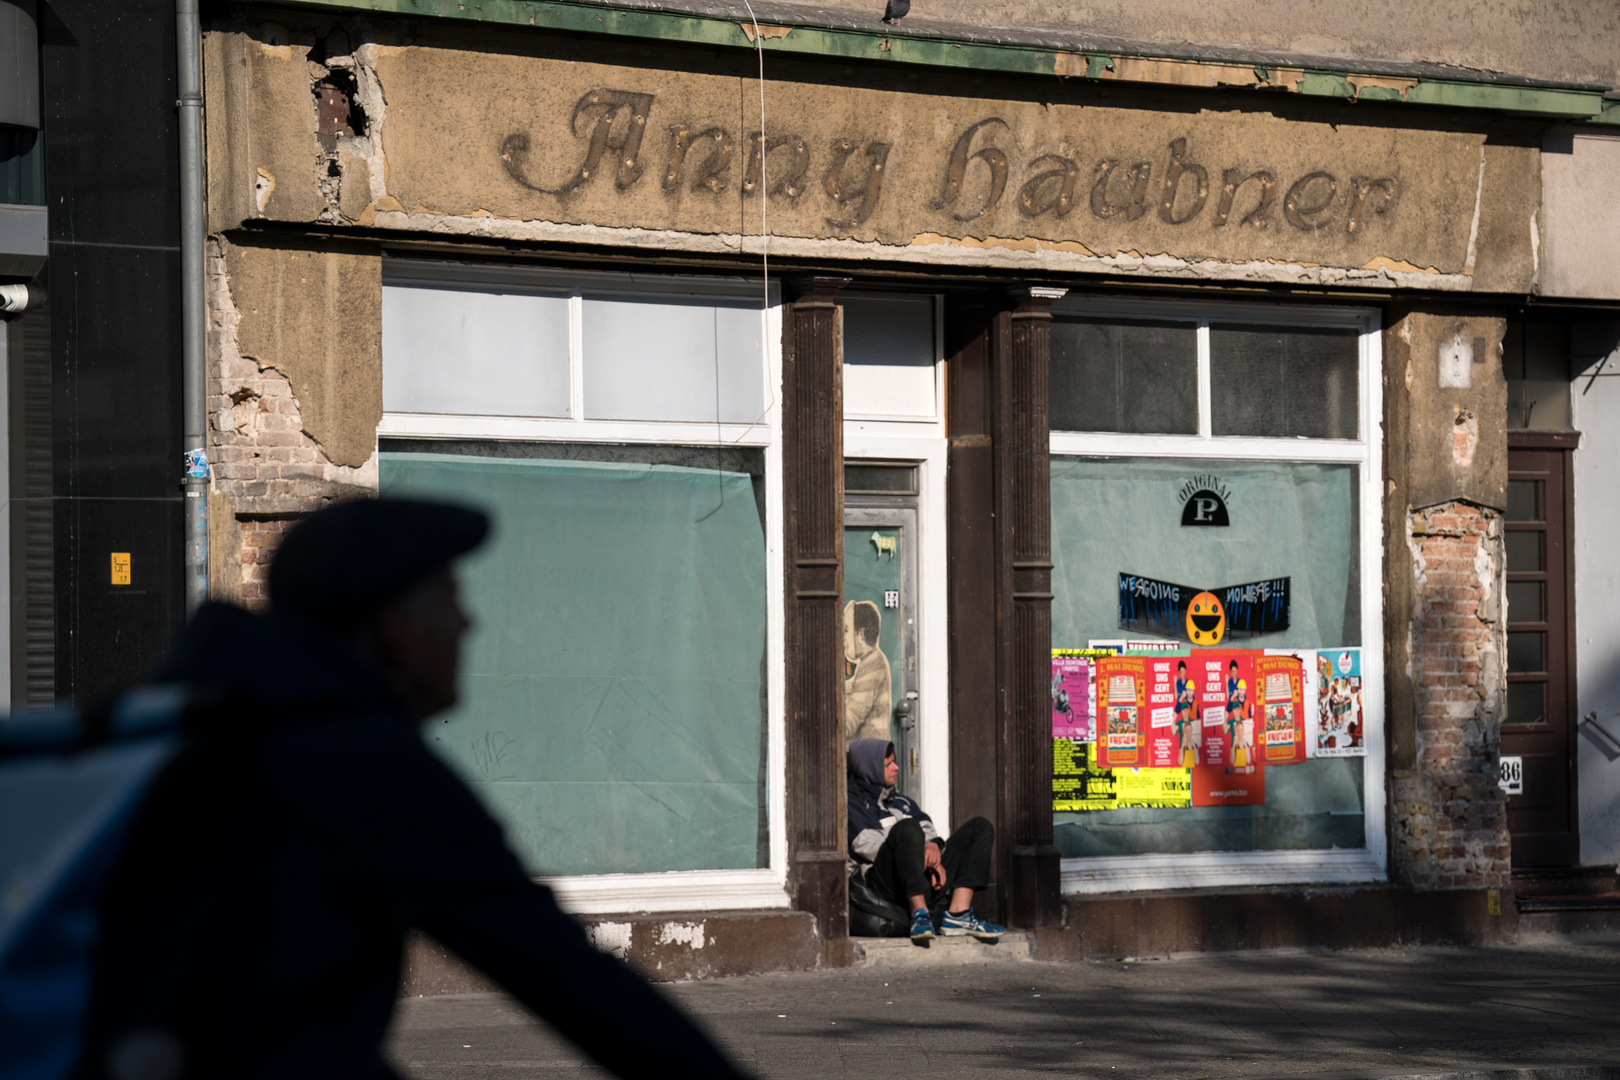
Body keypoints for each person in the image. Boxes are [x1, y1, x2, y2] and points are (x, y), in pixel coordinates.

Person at [74, 498, 753, 1080]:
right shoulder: (357, 765)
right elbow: (563, 975)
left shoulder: (201, 733)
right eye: (453, 600)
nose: (470, 625)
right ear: (397, 634)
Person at [845, 736, 1003, 943]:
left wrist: (933, 847)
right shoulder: (851, 804)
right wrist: (922, 855)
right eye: (888, 764)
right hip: (885, 883)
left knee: (980, 828)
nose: (897, 768)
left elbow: (927, 827)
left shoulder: (901, 801)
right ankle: (919, 914)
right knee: (907, 828)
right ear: (870, 769)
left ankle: (958, 915)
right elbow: (867, 846)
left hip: (921, 875)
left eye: (895, 761)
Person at [842, 600, 892, 743]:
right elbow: (852, 687)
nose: (843, 638)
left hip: (870, 757)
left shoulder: (873, 665)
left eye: (846, 630)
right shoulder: (871, 661)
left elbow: (848, 725)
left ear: (861, 635)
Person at [1175, 660, 1199, 767]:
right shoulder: (1183, 702)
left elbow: (1197, 762)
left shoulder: (1195, 703)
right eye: (1188, 690)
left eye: (1191, 690)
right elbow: (1180, 762)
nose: (1189, 692)